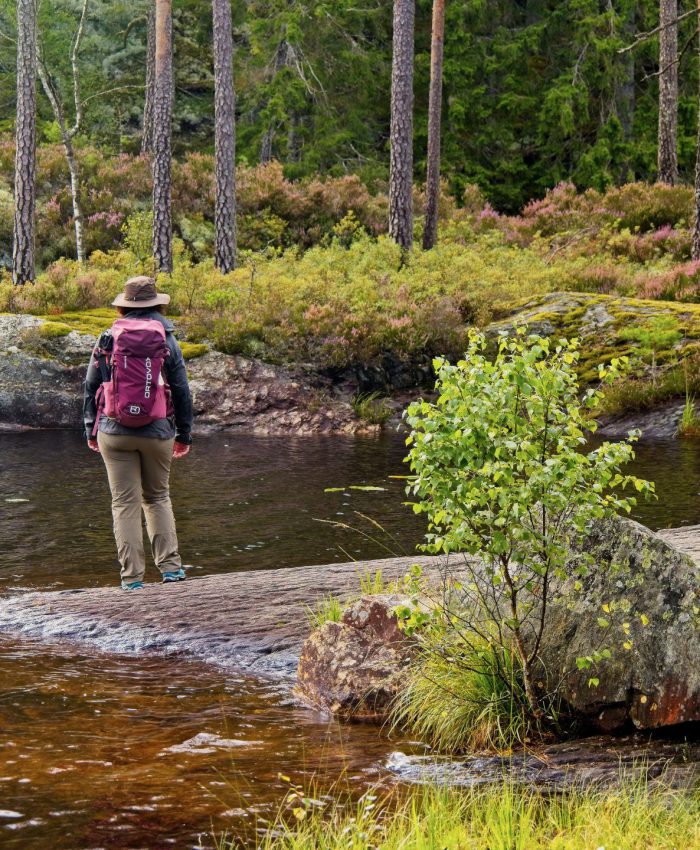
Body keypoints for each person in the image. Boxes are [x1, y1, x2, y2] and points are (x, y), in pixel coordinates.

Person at [83, 276, 193, 590]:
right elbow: (182, 391)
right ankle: (171, 570)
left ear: (124, 306)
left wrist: (90, 429)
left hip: (114, 431)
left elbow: (91, 385)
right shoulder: (168, 340)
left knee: (124, 503)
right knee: (157, 497)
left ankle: (132, 579)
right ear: (157, 305)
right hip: (158, 431)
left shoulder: (108, 337)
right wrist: (184, 435)